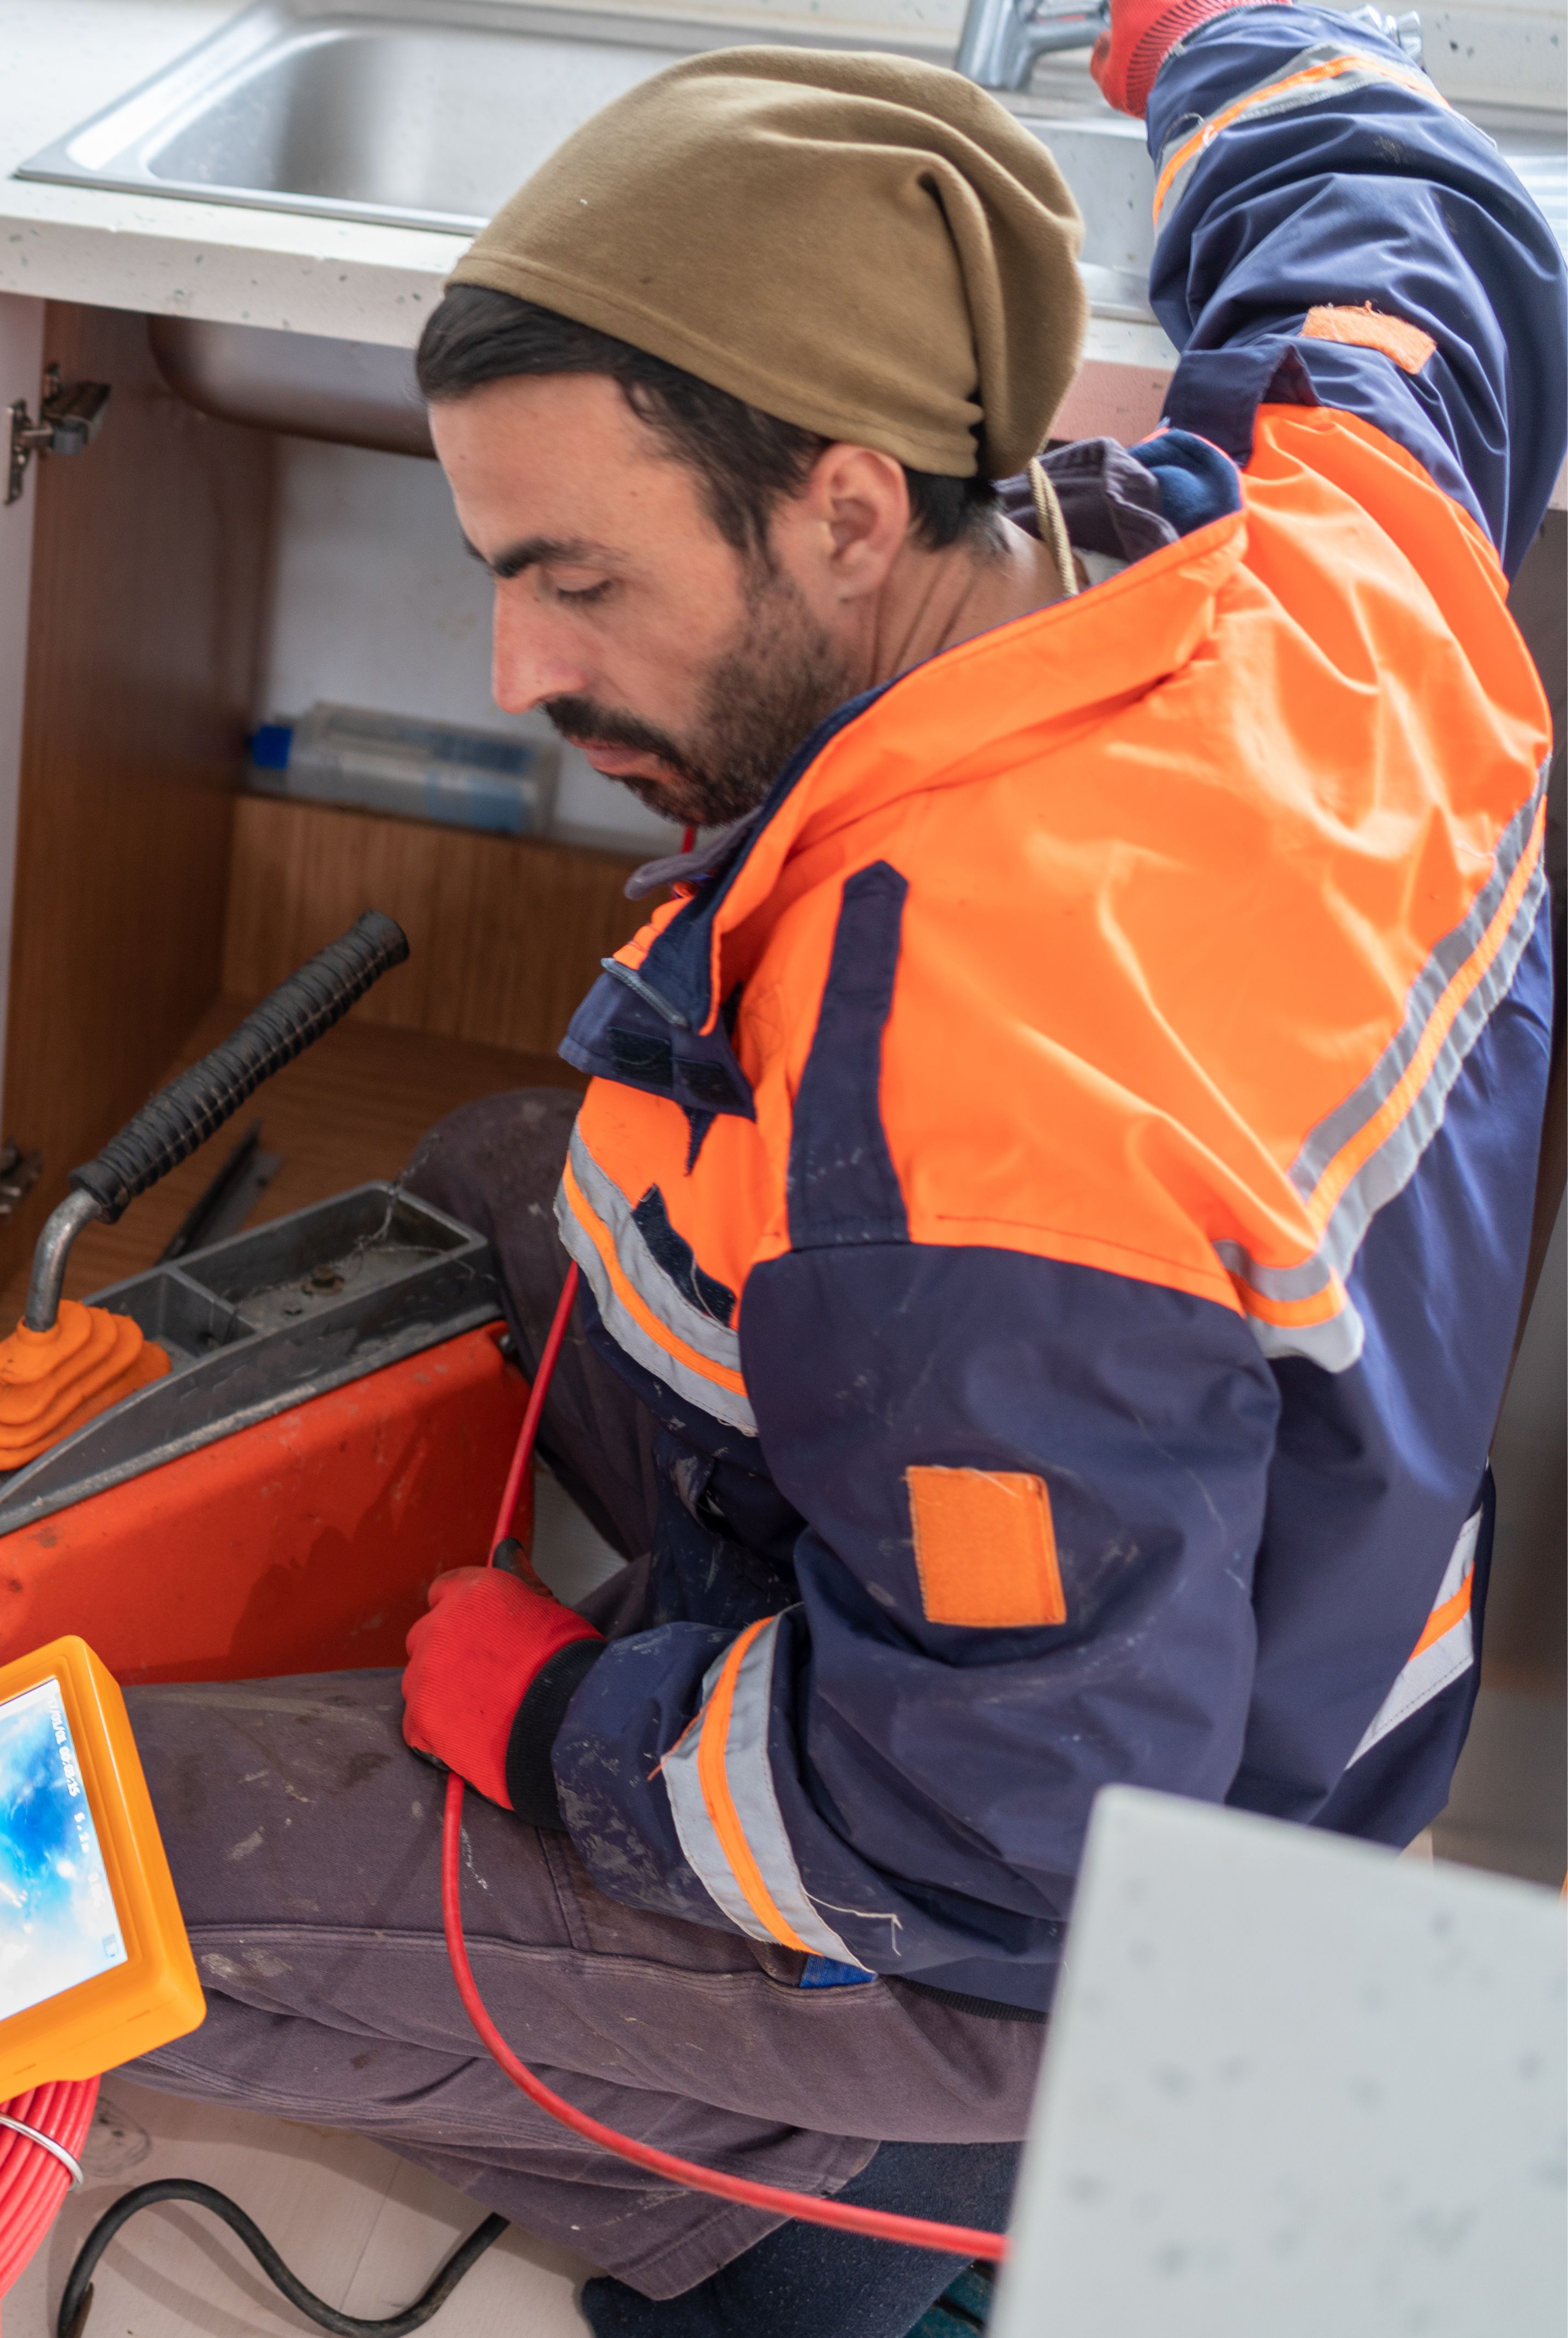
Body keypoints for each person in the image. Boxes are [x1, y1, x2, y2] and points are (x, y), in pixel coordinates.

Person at [121, 9, 1561, 2335]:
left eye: (579, 582)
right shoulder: (1325, 556)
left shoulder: (975, 1105)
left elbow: (999, 1827)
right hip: (1299, 1645)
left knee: (136, 1863)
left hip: (1093, 1909)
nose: (515, 661)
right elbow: (1401, 229)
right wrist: (1235, 42)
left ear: (854, 509)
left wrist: (558, 1730)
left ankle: (841, 2203)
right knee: (522, 1183)